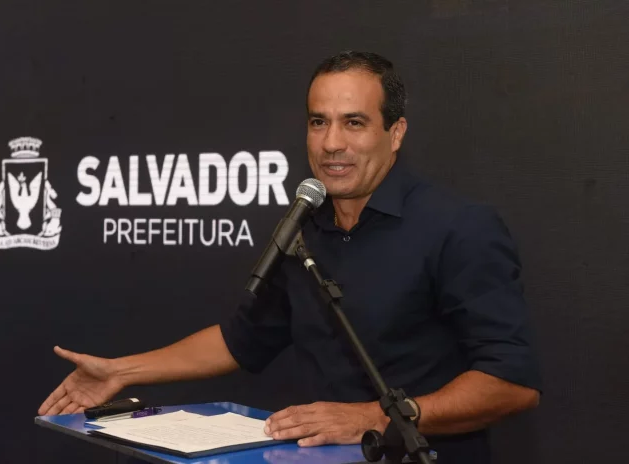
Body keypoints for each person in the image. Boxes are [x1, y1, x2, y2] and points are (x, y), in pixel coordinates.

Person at [38, 51, 542, 464]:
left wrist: (374, 417)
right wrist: (122, 371)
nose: (332, 143)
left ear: (395, 133)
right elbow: (242, 339)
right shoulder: (305, 228)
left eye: (354, 123)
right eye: (319, 122)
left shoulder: (459, 228)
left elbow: (512, 383)